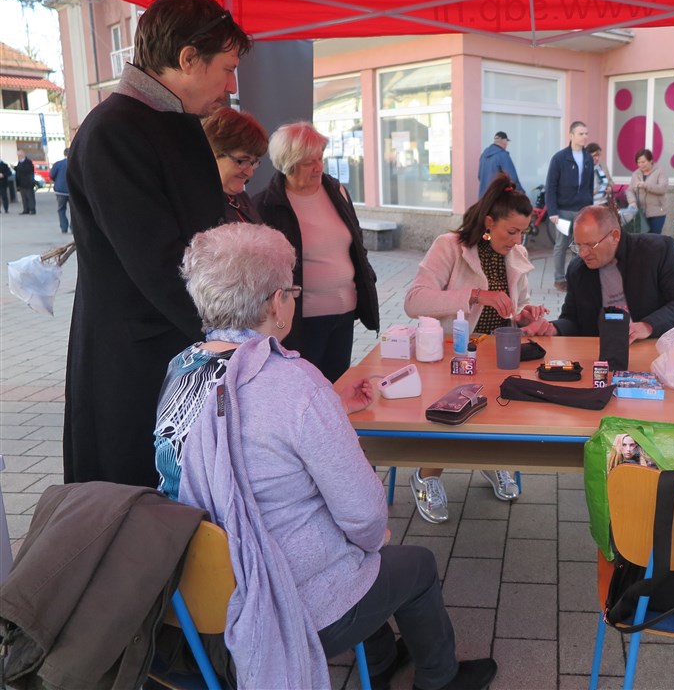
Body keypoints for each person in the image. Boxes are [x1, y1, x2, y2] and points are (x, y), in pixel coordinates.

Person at [170, 223, 497, 690]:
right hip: (283, 604)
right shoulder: (294, 383)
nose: (293, 299)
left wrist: (332, 408)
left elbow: (252, 435)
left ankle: (380, 660)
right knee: (413, 563)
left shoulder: (182, 371)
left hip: (205, 596)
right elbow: (365, 516)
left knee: (352, 548)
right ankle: (439, 680)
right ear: (275, 303)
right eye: (292, 291)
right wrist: (372, 538)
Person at [63, 0, 251, 487]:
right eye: (227, 69)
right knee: (137, 501)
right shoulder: (114, 131)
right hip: (136, 359)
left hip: (176, 345)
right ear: (188, 59)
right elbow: (160, 260)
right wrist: (231, 333)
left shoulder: (175, 122)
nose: (231, 86)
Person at [404, 173, 548, 523]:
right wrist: (475, 295)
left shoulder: (516, 253)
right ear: (488, 223)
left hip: (497, 353)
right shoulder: (450, 247)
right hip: (451, 352)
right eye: (511, 231)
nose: (517, 240)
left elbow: (516, 306)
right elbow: (414, 301)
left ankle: (492, 460)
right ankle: (425, 476)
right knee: (450, 414)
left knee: (506, 408)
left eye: (522, 232)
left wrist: (524, 314)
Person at [255, 121, 379, 382]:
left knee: (338, 387)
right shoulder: (267, 205)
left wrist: (367, 277)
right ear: (288, 164)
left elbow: (356, 242)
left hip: (344, 314)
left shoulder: (337, 191)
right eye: (309, 162)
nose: (318, 167)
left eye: (320, 158)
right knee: (305, 387)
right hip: (302, 322)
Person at [525, 205, 674, 342]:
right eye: (578, 245)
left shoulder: (657, 251)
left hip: (656, 347)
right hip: (602, 354)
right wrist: (552, 328)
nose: (583, 253)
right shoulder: (578, 270)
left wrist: (647, 326)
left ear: (615, 236)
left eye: (590, 245)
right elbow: (572, 319)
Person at [545, 121, 594, 291]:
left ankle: (575, 278)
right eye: (581, 133)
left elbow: (589, 185)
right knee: (561, 245)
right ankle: (559, 279)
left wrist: (590, 208)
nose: (585, 137)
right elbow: (551, 185)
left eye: (586, 133)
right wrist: (552, 211)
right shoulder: (559, 158)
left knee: (579, 245)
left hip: (582, 210)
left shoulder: (588, 158)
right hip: (563, 210)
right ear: (571, 135)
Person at [202, 106, 267, 223]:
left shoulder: (242, 199)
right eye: (242, 160)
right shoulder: (193, 207)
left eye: (253, 163)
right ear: (212, 153)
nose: (250, 173)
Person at [626, 148, 668, 234]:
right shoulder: (636, 174)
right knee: (642, 238)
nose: (641, 165)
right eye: (638, 162)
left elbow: (663, 188)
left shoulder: (659, 171)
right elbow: (629, 190)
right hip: (641, 213)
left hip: (657, 212)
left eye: (643, 162)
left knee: (654, 237)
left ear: (651, 161)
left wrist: (646, 186)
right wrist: (632, 202)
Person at [478, 130, 523, 197]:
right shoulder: (503, 155)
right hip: (496, 198)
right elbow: (512, 179)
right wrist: (521, 192)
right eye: (507, 141)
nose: (507, 144)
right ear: (504, 141)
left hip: (483, 198)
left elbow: (479, 176)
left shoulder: (483, 156)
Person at [50, 148, 71, 233]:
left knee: (61, 209)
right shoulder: (75, 162)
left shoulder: (58, 164)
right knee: (74, 210)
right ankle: (74, 228)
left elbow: (52, 175)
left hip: (60, 191)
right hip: (72, 191)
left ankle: (64, 227)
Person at [14, 150, 36, 214]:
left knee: (30, 197)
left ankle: (32, 209)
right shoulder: (19, 162)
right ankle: (26, 209)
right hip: (21, 183)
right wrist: (15, 168)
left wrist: (18, 168)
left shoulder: (28, 162)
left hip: (28, 183)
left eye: (20, 155)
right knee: (24, 198)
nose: (19, 156)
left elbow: (28, 170)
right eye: (18, 155)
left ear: (23, 154)